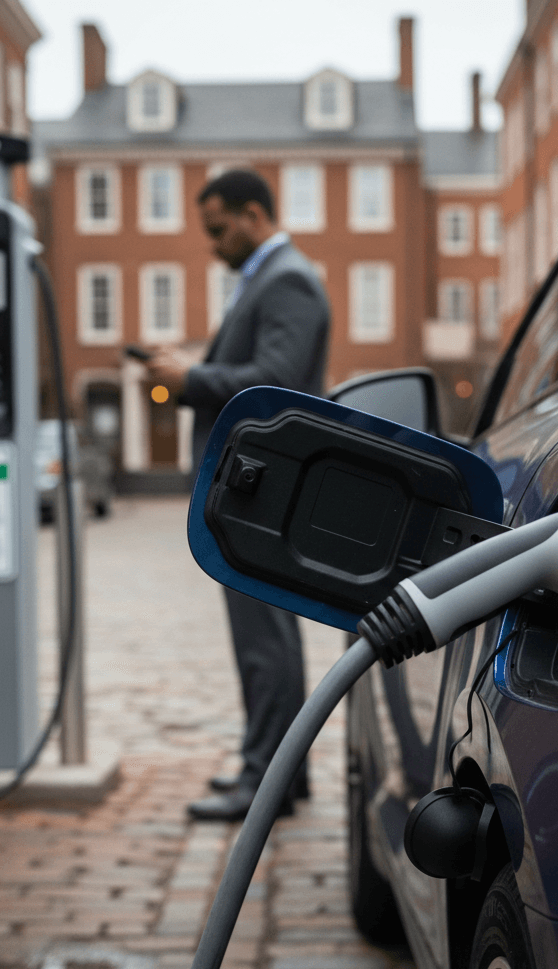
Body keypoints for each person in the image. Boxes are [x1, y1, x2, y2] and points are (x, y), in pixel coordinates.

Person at [146, 169, 331, 821]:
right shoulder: (274, 279)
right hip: (258, 486)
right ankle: (276, 774)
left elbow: (276, 381)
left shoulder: (286, 279)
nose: (212, 244)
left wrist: (189, 375)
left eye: (219, 229)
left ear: (255, 215)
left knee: (264, 639)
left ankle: (267, 780)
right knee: (265, 636)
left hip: (264, 489)